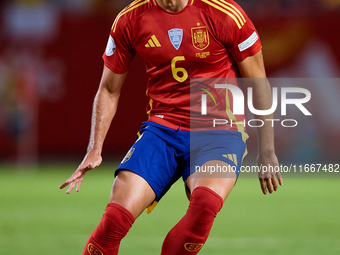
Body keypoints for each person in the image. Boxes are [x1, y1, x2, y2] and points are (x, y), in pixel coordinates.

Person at [60, 0, 283, 254]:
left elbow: (259, 83)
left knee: (205, 203)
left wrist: (267, 151)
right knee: (113, 221)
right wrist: (95, 147)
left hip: (218, 130)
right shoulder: (130, 19)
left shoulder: (225, 13)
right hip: (162, 129)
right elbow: (109, 89)